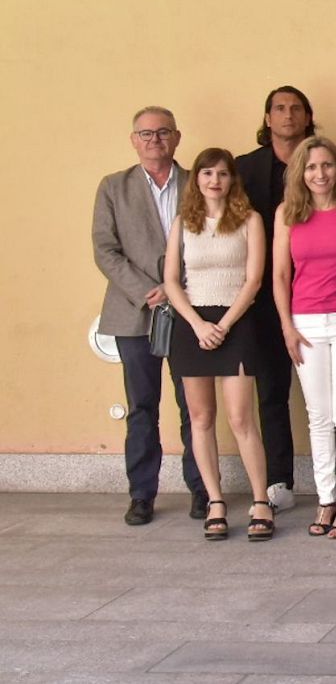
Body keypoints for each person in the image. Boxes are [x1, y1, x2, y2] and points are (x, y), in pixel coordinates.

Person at [93, 107, 206, 525]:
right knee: (142, 406)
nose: (154, 140)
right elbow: (105, 249)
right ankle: (141, 494)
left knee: (194, 405)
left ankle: (203, 490)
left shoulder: (200, 180)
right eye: (146, 133)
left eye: (162, 132)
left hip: (190, 310)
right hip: (134, 313)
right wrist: (149, 292)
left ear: (177, 137)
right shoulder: (112, 187)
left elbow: (217, 239)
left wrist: (179, 290)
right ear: (133, 140)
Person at [161, 148, 273, 541]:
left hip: (235, 323)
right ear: (197, 180)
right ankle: (215, 501)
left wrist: (222, 325)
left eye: (222, 173)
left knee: (242, 419)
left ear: (232, 179)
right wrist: (197, 324)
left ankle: (261, 501)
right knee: (201, 419)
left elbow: (254, 280)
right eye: (206, 173)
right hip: (192, 327)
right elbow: (172, 280)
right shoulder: (182, 223)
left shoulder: (249, 220)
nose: (214, 180)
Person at [271, 136, 336, 539]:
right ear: (300, 172)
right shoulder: (287, 214)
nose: (320, 173)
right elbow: (280, 276)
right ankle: (324, 498)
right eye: (311, 167)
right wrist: (287, 327)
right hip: (305, 322)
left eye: (327, 165)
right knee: (318, 416)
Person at [237, 85, 315, 513]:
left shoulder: (322, 162)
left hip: (318, 293)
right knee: (272, 391)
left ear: (307, 117)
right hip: (262, 297)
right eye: (279, 109)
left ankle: (335, 483)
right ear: (267, 119)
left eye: (296, 108)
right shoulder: (244, 168)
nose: (288, 115)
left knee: (329, 396)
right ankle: (280, 481)